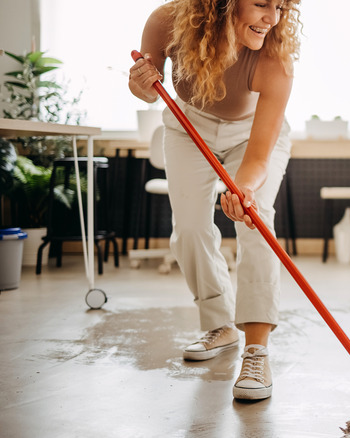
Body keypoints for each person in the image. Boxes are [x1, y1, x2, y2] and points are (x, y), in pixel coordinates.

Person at [128, 0, 301, 401]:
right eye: (261, 4)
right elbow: (147, 92)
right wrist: (140, 85)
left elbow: (258, 156)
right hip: (189, 126)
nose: (272, 18)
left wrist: (245, 189)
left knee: (256, 220)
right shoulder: (167, 21)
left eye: (280, 7)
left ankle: (256, 349)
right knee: (188, 228)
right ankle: (220, 325)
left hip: (252, 134)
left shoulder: (276, 59)